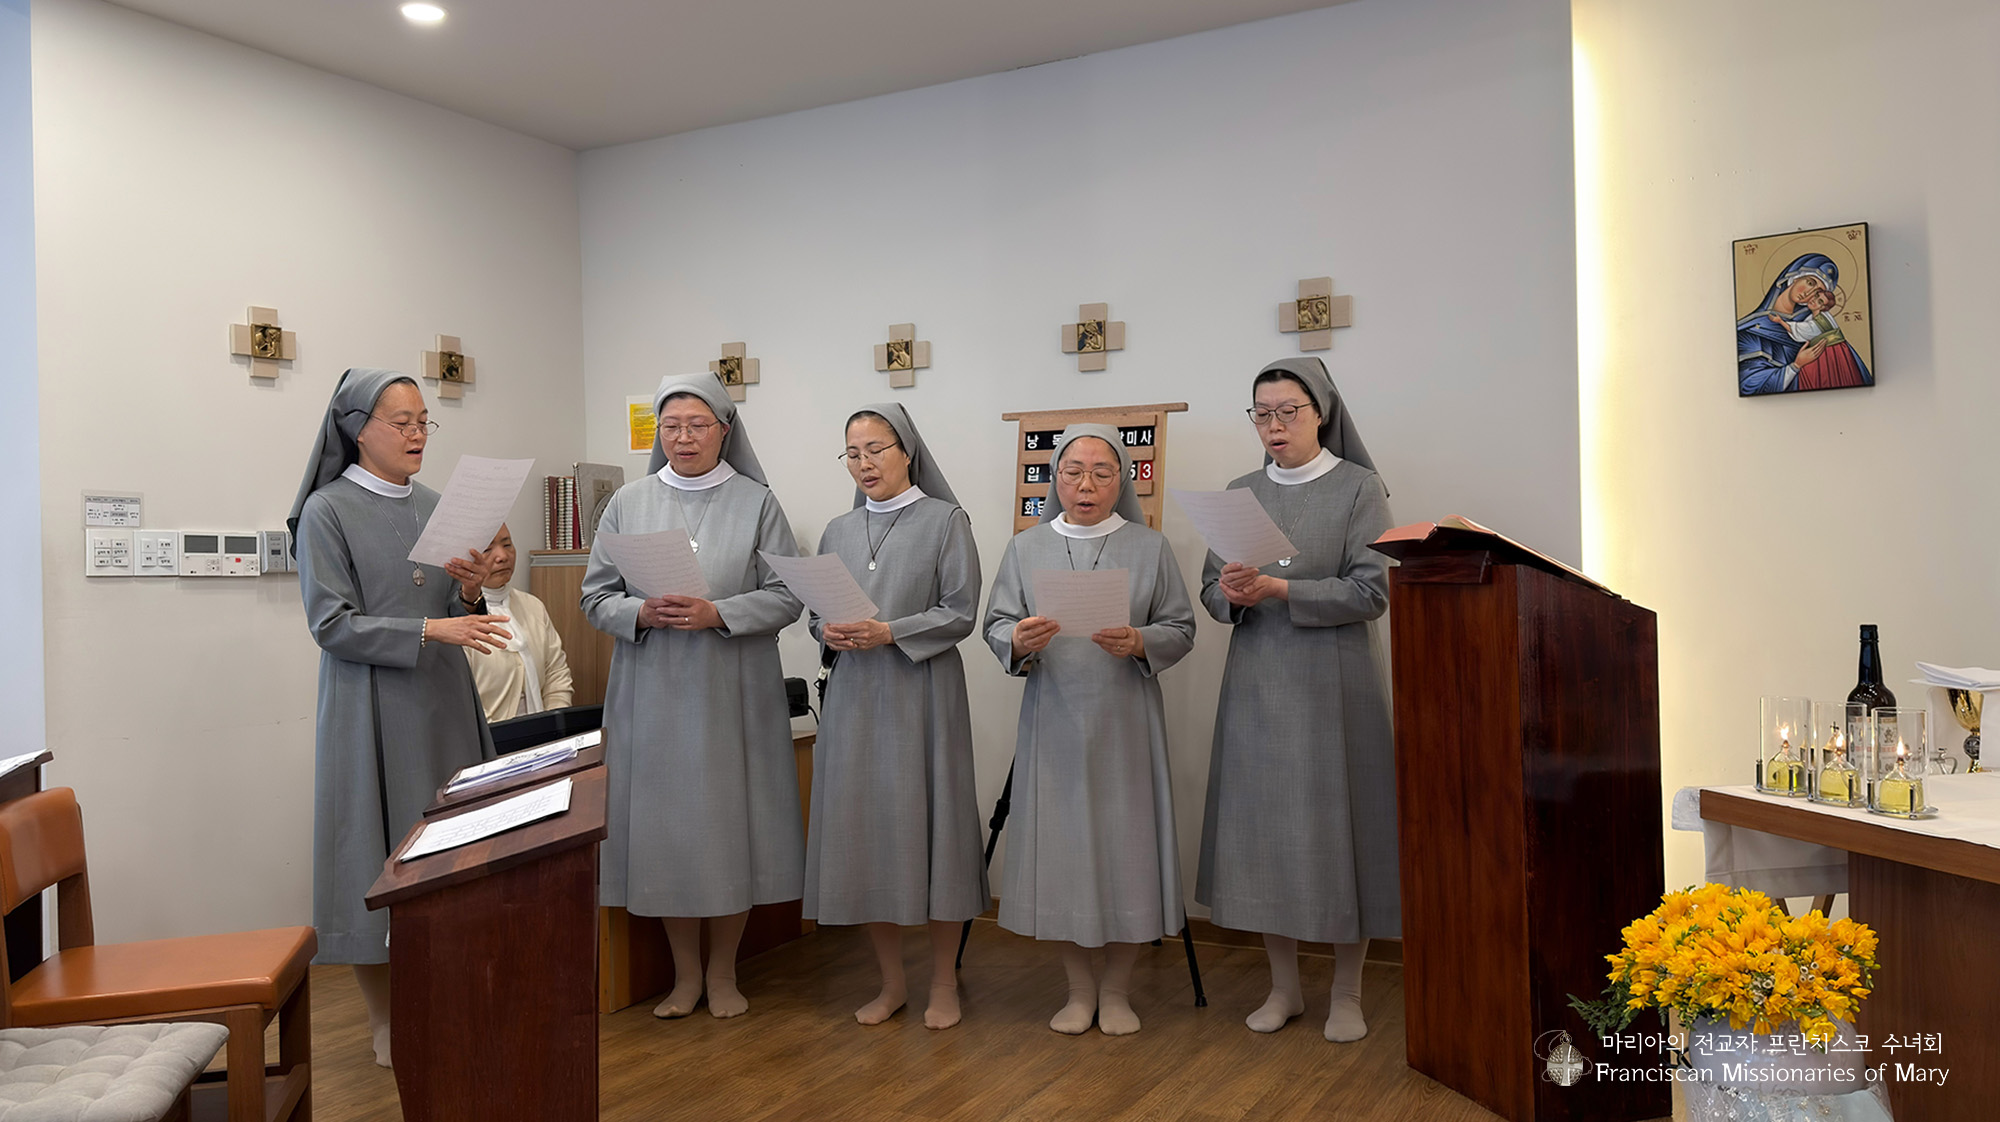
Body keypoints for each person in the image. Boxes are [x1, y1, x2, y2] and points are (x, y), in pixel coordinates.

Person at [287, 368, 511, 1067]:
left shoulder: (439, 506)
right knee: (377, 854)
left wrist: (469, 594)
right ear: (359, 429)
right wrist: (431, 630)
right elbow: (331, 624)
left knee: (454, 855)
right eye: (402, 422)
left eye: (423, 422)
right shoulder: (326, 511)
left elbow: (451, 609)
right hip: (371, 708)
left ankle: (453, 1003)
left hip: (443, 703)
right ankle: (385, 1019)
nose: (418, 434)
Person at [581, 371, 804, 1020]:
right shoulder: (628, 503)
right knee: (669, 834)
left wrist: (719, 613)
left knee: (729, 831)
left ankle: (724, 973)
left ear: (724, 431)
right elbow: (595, 597)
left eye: (697, 425)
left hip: (733, 695)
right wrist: (640, 612)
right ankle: (684, 977)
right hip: (653, 695)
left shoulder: (758, 502)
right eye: (671, 426)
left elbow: (788, 595)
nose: (683, 437)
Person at [1195, 356, 1396, 1043]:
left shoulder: (1359, 486)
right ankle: (1283, 988)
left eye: (1288, 412)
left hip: (1335, 687)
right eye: (1262, 414)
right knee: (1265, 836)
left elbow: (1373, 591)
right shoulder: (1241, 491)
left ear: (1321, 413)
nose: (1274, 426)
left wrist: (1281, 589)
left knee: (1343, 836)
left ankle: (1347, 993)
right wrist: (1229, 592)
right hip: (1257, 683)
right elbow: (1209, 591)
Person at [981, 425, 1197, 1037]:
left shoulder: (1149, 547)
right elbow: (996, 623)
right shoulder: (1026, 547)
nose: (1086, 485)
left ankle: (1118, 991)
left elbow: (1181, 627)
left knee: (1128, 852)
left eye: (1102, 473)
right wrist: (1017, 638)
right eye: (1074, 471)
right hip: (1053, 719)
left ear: (1121, 481)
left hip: (1126, 721)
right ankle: (1079, 991)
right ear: (1055, 478)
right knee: (1064, 852)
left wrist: (1141, 640)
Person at [805, 405, 986, 1030]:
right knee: (867, 836)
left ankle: (943, 984)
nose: (864, 464)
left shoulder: (945, 520)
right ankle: (890, 984)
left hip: (922, 694)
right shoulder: (837, 530)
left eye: (875, 450)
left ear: (906, 451)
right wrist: (825, 628)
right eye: (852, 453)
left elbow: (961, 611)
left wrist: (890, 631)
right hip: (855, 698)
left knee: (935, 833)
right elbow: (816, 613)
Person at [464, 523, 574, 722]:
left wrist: (554, 723)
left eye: (507, 545)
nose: (502, 556)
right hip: (488, 738)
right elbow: (461, 702)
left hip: (544, 733)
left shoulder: (532, 606)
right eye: (487, 549)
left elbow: (556, 674)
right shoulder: (457, 620)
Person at [1736, 253, 1871, 394]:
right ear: (1795, 277)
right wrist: (1796, 366)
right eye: (1810, 283)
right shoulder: (1752, 329)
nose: (1809, 294)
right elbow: (1747, 386)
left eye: (1817, 292)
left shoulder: (1817, 326)